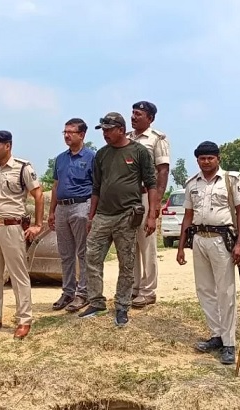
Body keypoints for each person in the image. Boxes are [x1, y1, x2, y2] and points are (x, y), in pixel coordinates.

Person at [78, 112, 157, 327]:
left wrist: (152, 215)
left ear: (121, 130)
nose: (104, 133)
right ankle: (96, 301)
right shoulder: (102, 154)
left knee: (127, 262)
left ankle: (122, 306)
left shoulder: (139, 152)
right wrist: (91, 216)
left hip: (127, 215)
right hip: (103, 215)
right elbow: (96, 188)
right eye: (102, 130)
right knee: (92, 258)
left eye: (108, 129)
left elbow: (151, 184)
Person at [176, 141, 240, 365]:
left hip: (221, 240)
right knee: (204, 289)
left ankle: (229, 343)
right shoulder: (191, 183)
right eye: (202, 158)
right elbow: (188, 215)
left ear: (218, 159)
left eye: (210, 158)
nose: (206, 162)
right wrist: (181, 246)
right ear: (197, 160)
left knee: (225, 291)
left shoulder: (230, 180)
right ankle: (216, 335)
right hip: (199, 239)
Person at [0, 130, 43, 340]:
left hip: (13, 227)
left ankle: (24, 319)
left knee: (18, 275)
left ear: (8, 146)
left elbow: (39, 194)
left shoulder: (23, 167)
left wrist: (38, 225)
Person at [48, 118, 94, 313]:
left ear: (82, 135)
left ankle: (83, 293)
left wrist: (92, 213)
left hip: (81, 206)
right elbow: (55, 186)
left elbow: (97, 187)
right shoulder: (61, 158)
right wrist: (51, 211)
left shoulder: (92, 157)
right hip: (62, 208)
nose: (67, 135)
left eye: (71, 132)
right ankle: (68, 291)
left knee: (83, 253)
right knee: (65, 253)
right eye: (64, 132)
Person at [127, 101, 170, 308]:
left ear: (150, 118)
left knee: (147, 244)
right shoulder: (126, 138)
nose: (134, 117)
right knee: (130, 244)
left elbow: (162, 171)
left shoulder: (157, 139)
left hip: (146, 195)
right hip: (127, 198)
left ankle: (148, 290)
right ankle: (134, 288)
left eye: (139, 114)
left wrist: (156, 203)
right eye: (133, 113)